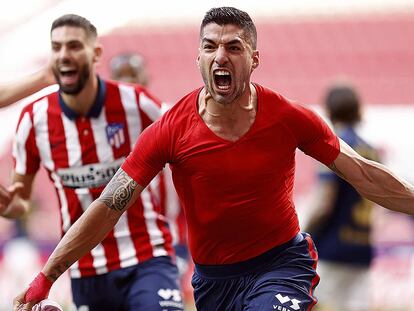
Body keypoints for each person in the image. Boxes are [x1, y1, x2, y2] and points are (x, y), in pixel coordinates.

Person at [13, 7, 414, 311]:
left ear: (254, 59)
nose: (220, 56)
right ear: (199, 59)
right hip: (213, 282)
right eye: (210, 47)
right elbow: (107, 207)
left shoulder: (290, 118)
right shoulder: (170, 130)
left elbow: (364, 175)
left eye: (233, 47)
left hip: (281, 264)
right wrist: (47, 275)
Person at [2, 14, 183, 311]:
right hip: (84, 268)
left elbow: (186, 146)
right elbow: (19, 202)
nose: (64, 55)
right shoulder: (33, 121)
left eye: (74, 46)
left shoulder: (137, 103)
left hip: (147, 257)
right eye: (56, 47)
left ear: (96, 53)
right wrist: (9, 205)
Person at [306, 83, 379, 311]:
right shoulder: (372, 151)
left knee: (311, 303)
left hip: (331, 247)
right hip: (362, 248)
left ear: (329, 110)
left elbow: (324, 203)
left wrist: (302, 234)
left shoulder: (334, 146)